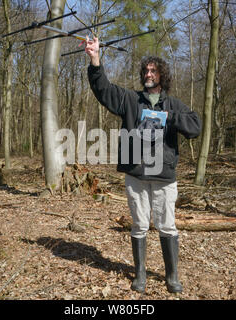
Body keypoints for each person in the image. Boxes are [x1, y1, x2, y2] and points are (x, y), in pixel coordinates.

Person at [85, 36, 202, 293]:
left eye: (154, 70)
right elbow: (103, 89)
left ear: (162, 76)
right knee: (139, 224)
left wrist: (170, 118)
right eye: (146, 70)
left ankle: (171, 276)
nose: (149, 73)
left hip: (164, 176)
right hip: (136, 175)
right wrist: (95, 59)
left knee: (166, 225)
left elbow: (195, 127)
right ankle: (140, 275)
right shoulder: (130, 100)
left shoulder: (173, 105)